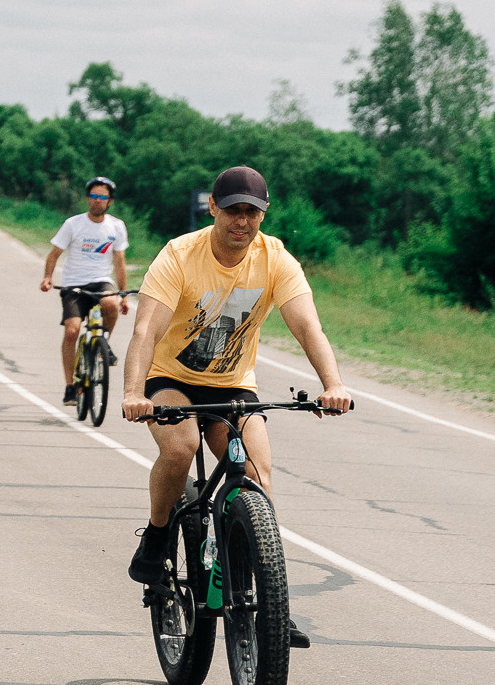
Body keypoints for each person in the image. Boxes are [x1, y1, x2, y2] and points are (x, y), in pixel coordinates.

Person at [118, 165, 353, 581]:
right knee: (180, 446)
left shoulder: (275, 258)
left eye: (252, 211)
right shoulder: (179, 255)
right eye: (232, 210)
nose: (242, 220)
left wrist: (332, 385)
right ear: (213, 207)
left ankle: (268, 600)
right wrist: (134, 392)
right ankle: (156, 534)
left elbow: (307, 327)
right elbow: (145, 330)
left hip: (233, 384)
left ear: (263, 212)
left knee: (257, 478)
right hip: (170, 378)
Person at [38, 176, 127, 404]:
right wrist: (48, 277)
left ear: (110, 201)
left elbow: (119, 262)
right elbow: (54, 254)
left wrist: (123, 293)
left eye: (103, 197)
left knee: (111, 303)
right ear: (88, 198)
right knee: (72, 332)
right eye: (94, 196)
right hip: (73, 284)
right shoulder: (73, 224)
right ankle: (70, 386)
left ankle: (104, 343)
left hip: (100, 280)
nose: (98, 201)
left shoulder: (116, 227)